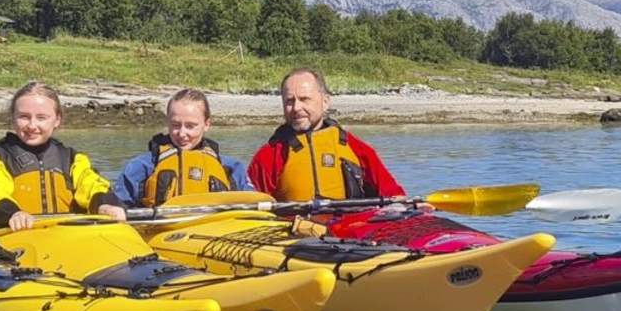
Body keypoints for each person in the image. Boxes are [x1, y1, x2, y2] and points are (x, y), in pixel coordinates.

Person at [0, 81, 129, 231]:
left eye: (41, 118)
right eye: (24, 117)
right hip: (17, 234)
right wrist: (13, 213)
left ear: (57, 120)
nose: (32, 126)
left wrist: (105, 205)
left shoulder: (73, 159)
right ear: (13, 118)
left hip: (66, 235)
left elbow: (92, 185)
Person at [246, 68, 411, 202]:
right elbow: (251, 208)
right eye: (289, 101)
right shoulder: (268, 156)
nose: (296, 108)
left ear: (325, 102)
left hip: (350, 235)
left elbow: (394, 196)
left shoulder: (356, 149)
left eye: (304, 99)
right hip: (295, 237)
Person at [114, 88, 255, 208]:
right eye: (175, 125)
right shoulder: (141, 166)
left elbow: (252, 204)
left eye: (190, 126)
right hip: (160, 232)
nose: (182, 134)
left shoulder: (231, 167)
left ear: (206, 124)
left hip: (213, 231)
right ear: (167, 122)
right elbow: (117, 205)